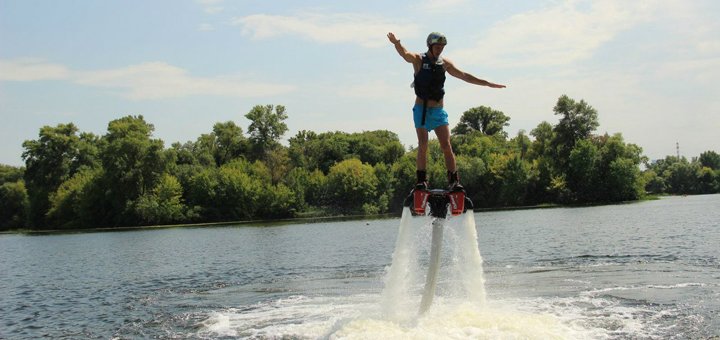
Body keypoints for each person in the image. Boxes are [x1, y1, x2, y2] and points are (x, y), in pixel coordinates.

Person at [387, 31, 506, 191]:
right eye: (437, 46)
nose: (440, 49)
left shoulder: (445, 64)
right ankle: (421, 181)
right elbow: (405, 54)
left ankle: (453, 181)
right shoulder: (419, 60)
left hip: (438, 111)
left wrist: (487, 83)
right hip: (421, 110)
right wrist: (397, 43)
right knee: (423, 145)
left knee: (446, 145)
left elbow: (465, 76)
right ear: (430, 45)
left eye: (442, 47)